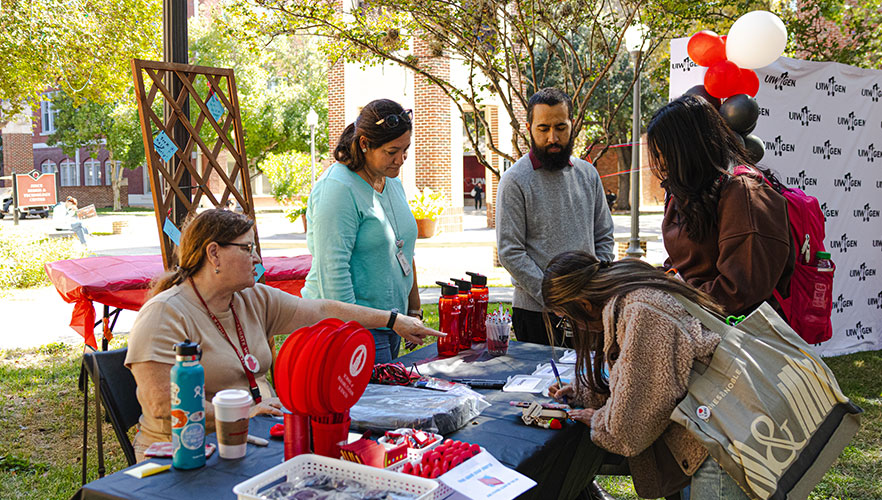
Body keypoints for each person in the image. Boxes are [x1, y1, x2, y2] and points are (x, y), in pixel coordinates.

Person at [125, 209, 438, 461]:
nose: (258, 259)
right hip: (186, 456)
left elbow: (319, 311)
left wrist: (392, 320)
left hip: (256, 436)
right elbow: (163, 406)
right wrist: (245, 412)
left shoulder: (250, 298)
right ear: (214, 254)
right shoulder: (164, 313)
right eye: (248, 248)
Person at [542, 251, 749, 500]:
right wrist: (585, 391)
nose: (574, 329)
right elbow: (633, 374)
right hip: (719, 427)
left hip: (719, 443)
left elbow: (632, 424)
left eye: (568, 321)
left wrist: (597, 419)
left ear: (585, 306)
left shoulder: (641, 312)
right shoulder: (633, 290)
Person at [647, 95, 794, 317]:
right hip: (697, 315)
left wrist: (670, 300)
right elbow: (681, 265)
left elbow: (740, 290)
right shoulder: (688, 190)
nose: (661, 165)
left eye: (665, 155)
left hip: (736, 333)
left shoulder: (744, 193)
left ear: (690, 149)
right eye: (657, 156)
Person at [302, 99, 422, 364]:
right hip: (354, 332)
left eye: (406, 150)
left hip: (391, 324)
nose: (401, 159)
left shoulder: (390, 181)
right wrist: (353, 336)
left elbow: (404, 248)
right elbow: (333, 275)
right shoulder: (337, 188)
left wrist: (413, 309)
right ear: (365, 144)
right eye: (392, 151)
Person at [496, 87, 615, 346]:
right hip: (536, 313)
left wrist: (593, 288)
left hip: (588, 310)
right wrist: (555, 298)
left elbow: (604, 237)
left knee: (588, 383)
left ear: (572, 125)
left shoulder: (588, 174)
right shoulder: (514, 181)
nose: (553, 137)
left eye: (561, 127)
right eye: (543, 129)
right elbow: (510, 251)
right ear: (529, 128)